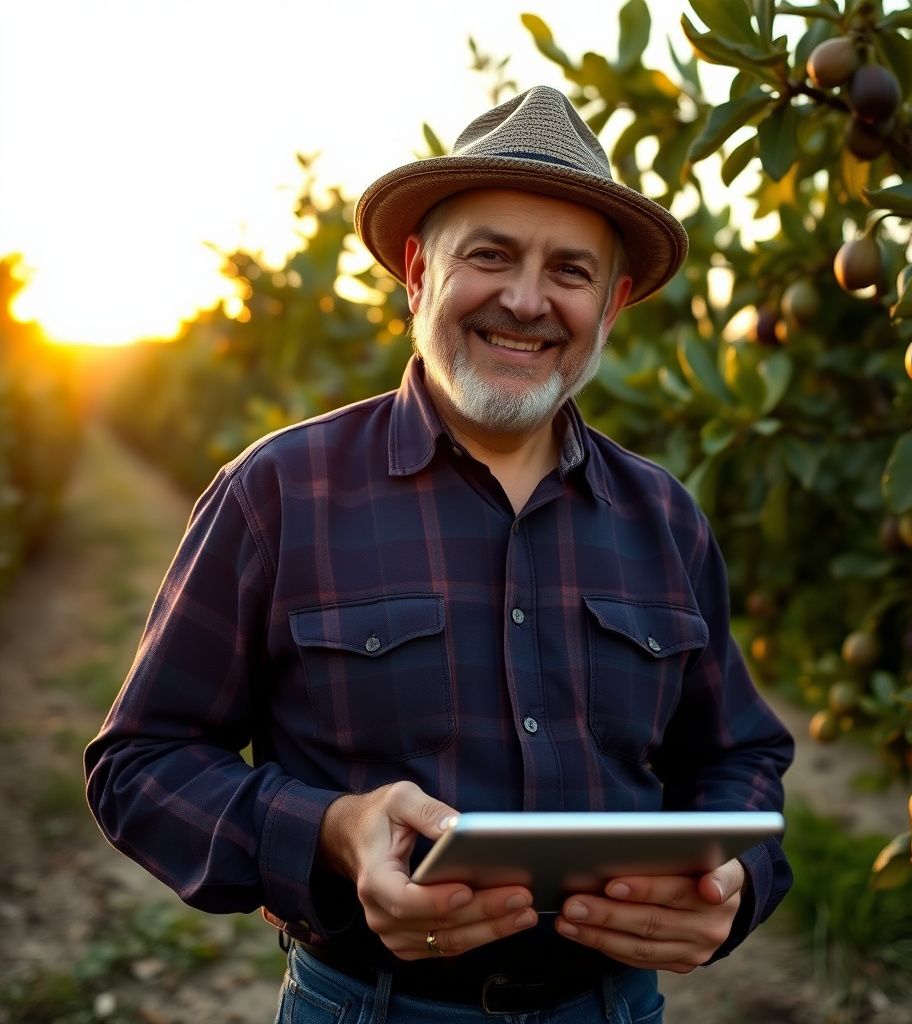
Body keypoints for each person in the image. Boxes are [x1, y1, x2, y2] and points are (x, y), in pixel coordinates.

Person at [85, 85, 793, 1023]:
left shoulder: (664, 517)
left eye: (571, 271)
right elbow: (140, 763)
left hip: (613, 1008)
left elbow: (739, 752)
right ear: (418, 270)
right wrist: (331, 832)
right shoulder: (281, 493)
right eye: (490, 255)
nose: (527, 300)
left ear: (613, 302)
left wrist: (738, 876)